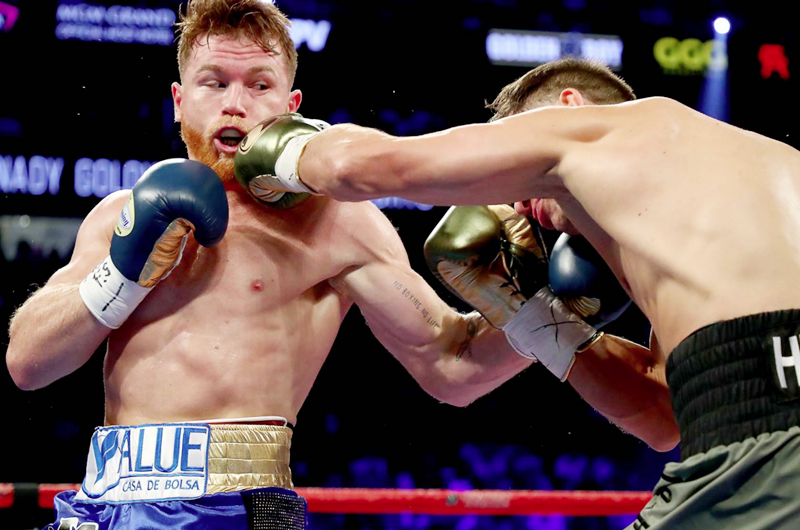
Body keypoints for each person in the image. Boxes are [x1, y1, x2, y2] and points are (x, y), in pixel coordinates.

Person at [3, 4, 657, 529]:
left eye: (259, 85)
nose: (235, 103)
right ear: (179, 101)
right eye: (214, 84)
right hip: (101, 502)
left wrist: (545, 307)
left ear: (291, 110)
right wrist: (123, 272)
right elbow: (28, 364)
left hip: (239, 508)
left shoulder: (335, 222)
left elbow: (449, 365)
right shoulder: (120, 212)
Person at [234, 57, 800, 528]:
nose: (518, 205)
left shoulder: (602, 129)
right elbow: (663, 419)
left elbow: (367, 168)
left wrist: (275, 153)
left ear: (569, 107)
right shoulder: (737, 180)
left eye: (520, 177)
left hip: (763, 460)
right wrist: (528, 312)